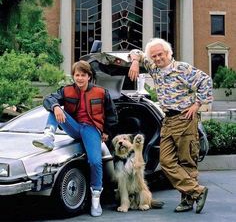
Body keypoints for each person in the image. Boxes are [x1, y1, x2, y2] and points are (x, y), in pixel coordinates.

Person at [128, 38, 213, 214]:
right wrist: (135, 62)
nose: (158, 58)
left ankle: (188, 201)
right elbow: (135, 52)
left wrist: (197, 104)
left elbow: (206, 81)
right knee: (166, 161)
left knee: (187, 162)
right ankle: (197, 191)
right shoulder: (154, 68)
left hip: (185, 118)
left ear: (168, 53)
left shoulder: (182, 68)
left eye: (160, 54)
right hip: (168, 120)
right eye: (154, 56)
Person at [32, 60, 118, 217]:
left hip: (91, 129)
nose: (79, 78)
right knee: (54, 108)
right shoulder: (66, 90)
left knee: (94, 161)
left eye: (83, 75)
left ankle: (95, 201)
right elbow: (48, 99)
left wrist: (107, 132)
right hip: (74, 127)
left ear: (89, 76)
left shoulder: (101, 92)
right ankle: (48, 138)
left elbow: (112, 114)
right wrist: (56, 106)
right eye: (77, 75)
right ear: (73, 76)